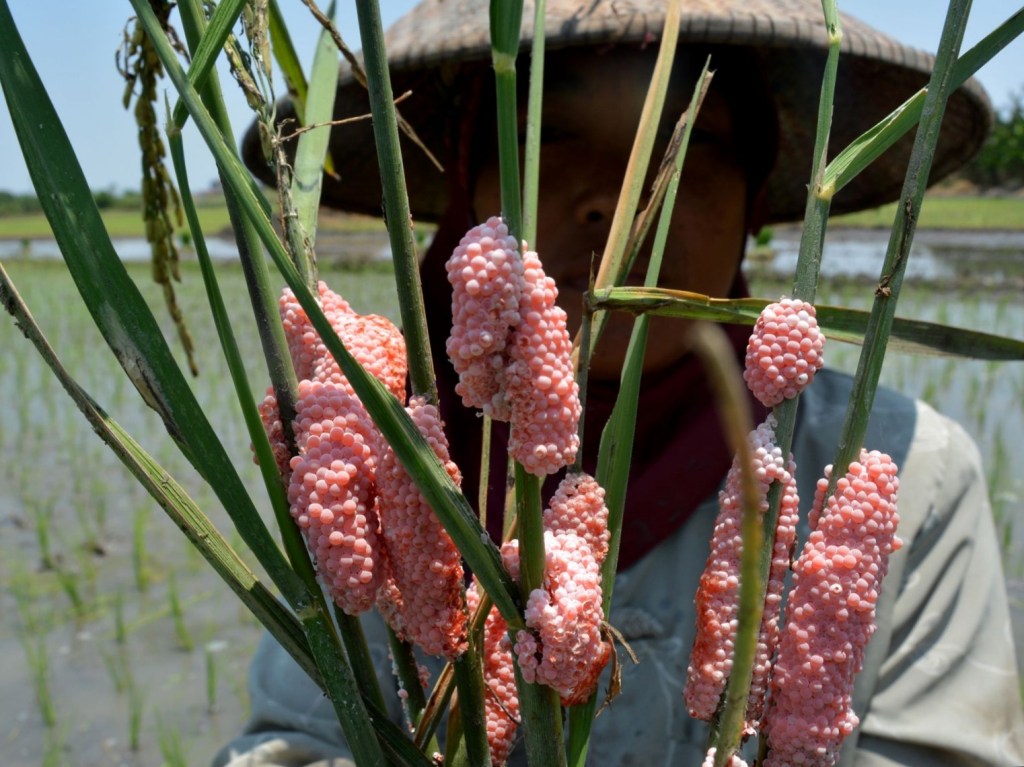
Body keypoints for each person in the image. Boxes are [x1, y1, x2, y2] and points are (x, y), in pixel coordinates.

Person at [216, 1, 1024, 764]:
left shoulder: (898, 469)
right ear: (472, 189)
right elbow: (296, 737)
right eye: (549, 136)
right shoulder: (365, 456)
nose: (615, 196)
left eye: (685, 142)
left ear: (753, 196)